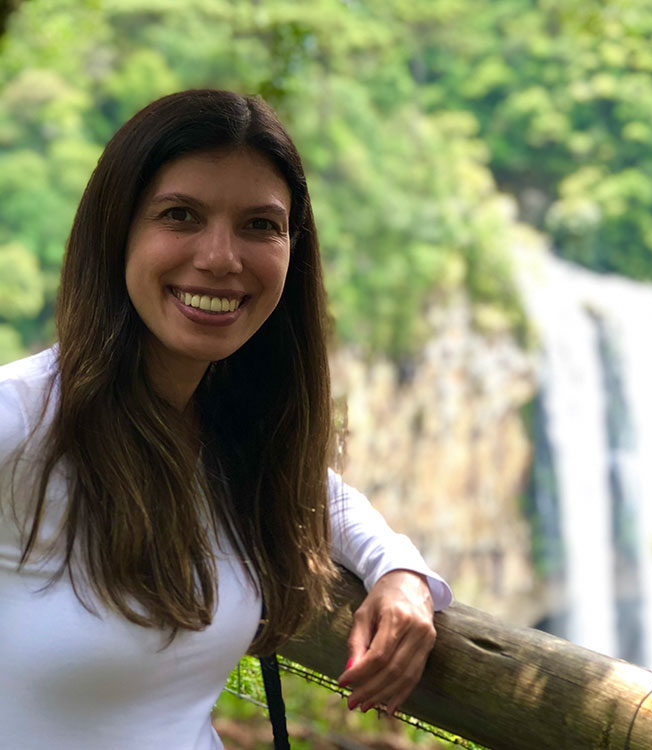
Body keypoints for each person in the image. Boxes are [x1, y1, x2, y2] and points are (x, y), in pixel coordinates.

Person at [0, 89, 452, 749]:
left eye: (259, 225)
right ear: (117, 230)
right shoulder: (23, 419)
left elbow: (325, 501)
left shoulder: (229, 432)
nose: (221, 257)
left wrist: (400, 573)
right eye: (180, 215)